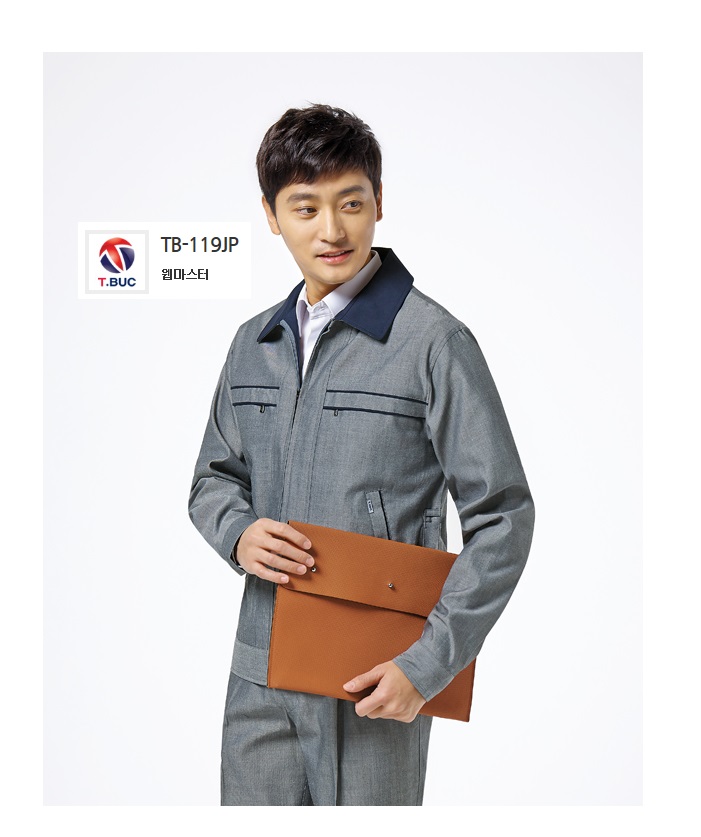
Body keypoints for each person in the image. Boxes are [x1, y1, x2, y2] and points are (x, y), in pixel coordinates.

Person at [188, 103, 535, 806]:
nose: (331, 229)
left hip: (377, 675)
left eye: (350, 203)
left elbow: (503, 516)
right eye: (305, 207)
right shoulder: (253, 343)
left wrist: (427, 665)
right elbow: (212, 480)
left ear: (379, 201)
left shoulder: (433, 342)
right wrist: (238, 532)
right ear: (271, 215)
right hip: (259, 672)